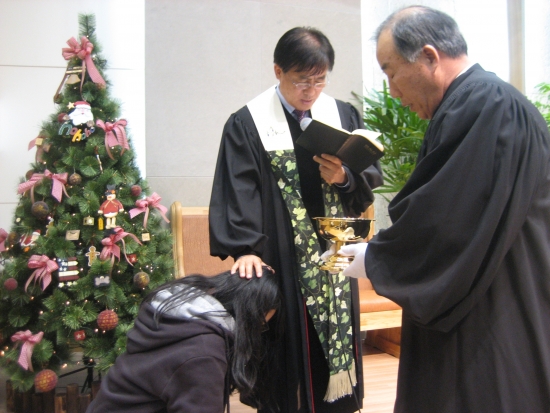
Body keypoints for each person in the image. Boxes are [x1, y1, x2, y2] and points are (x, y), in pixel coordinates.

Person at [340, 5, 550, 413]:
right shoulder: (475, 103)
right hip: (484, 301)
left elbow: (452, 220)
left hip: (492, 313)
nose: (392, 92)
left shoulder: (488, 105)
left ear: (429, 57)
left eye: (391, 72)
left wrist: (378, 258)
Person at [209, 27, 383, 412]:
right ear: (278, 71)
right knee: (286, 347)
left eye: (319, 81)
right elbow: (238, 188)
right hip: (282, 253)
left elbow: (367, 178)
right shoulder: (249, 123)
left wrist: (344, 177)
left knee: (334, 343)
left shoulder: (341, 114)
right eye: (301, 80)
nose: (311, 91)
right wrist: (245, 248)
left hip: (335, 252)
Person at [86, 267, 281, 413]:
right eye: (260, 324)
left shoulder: (177, 319)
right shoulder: (204, 354)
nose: (258, 332)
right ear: (247, 315)